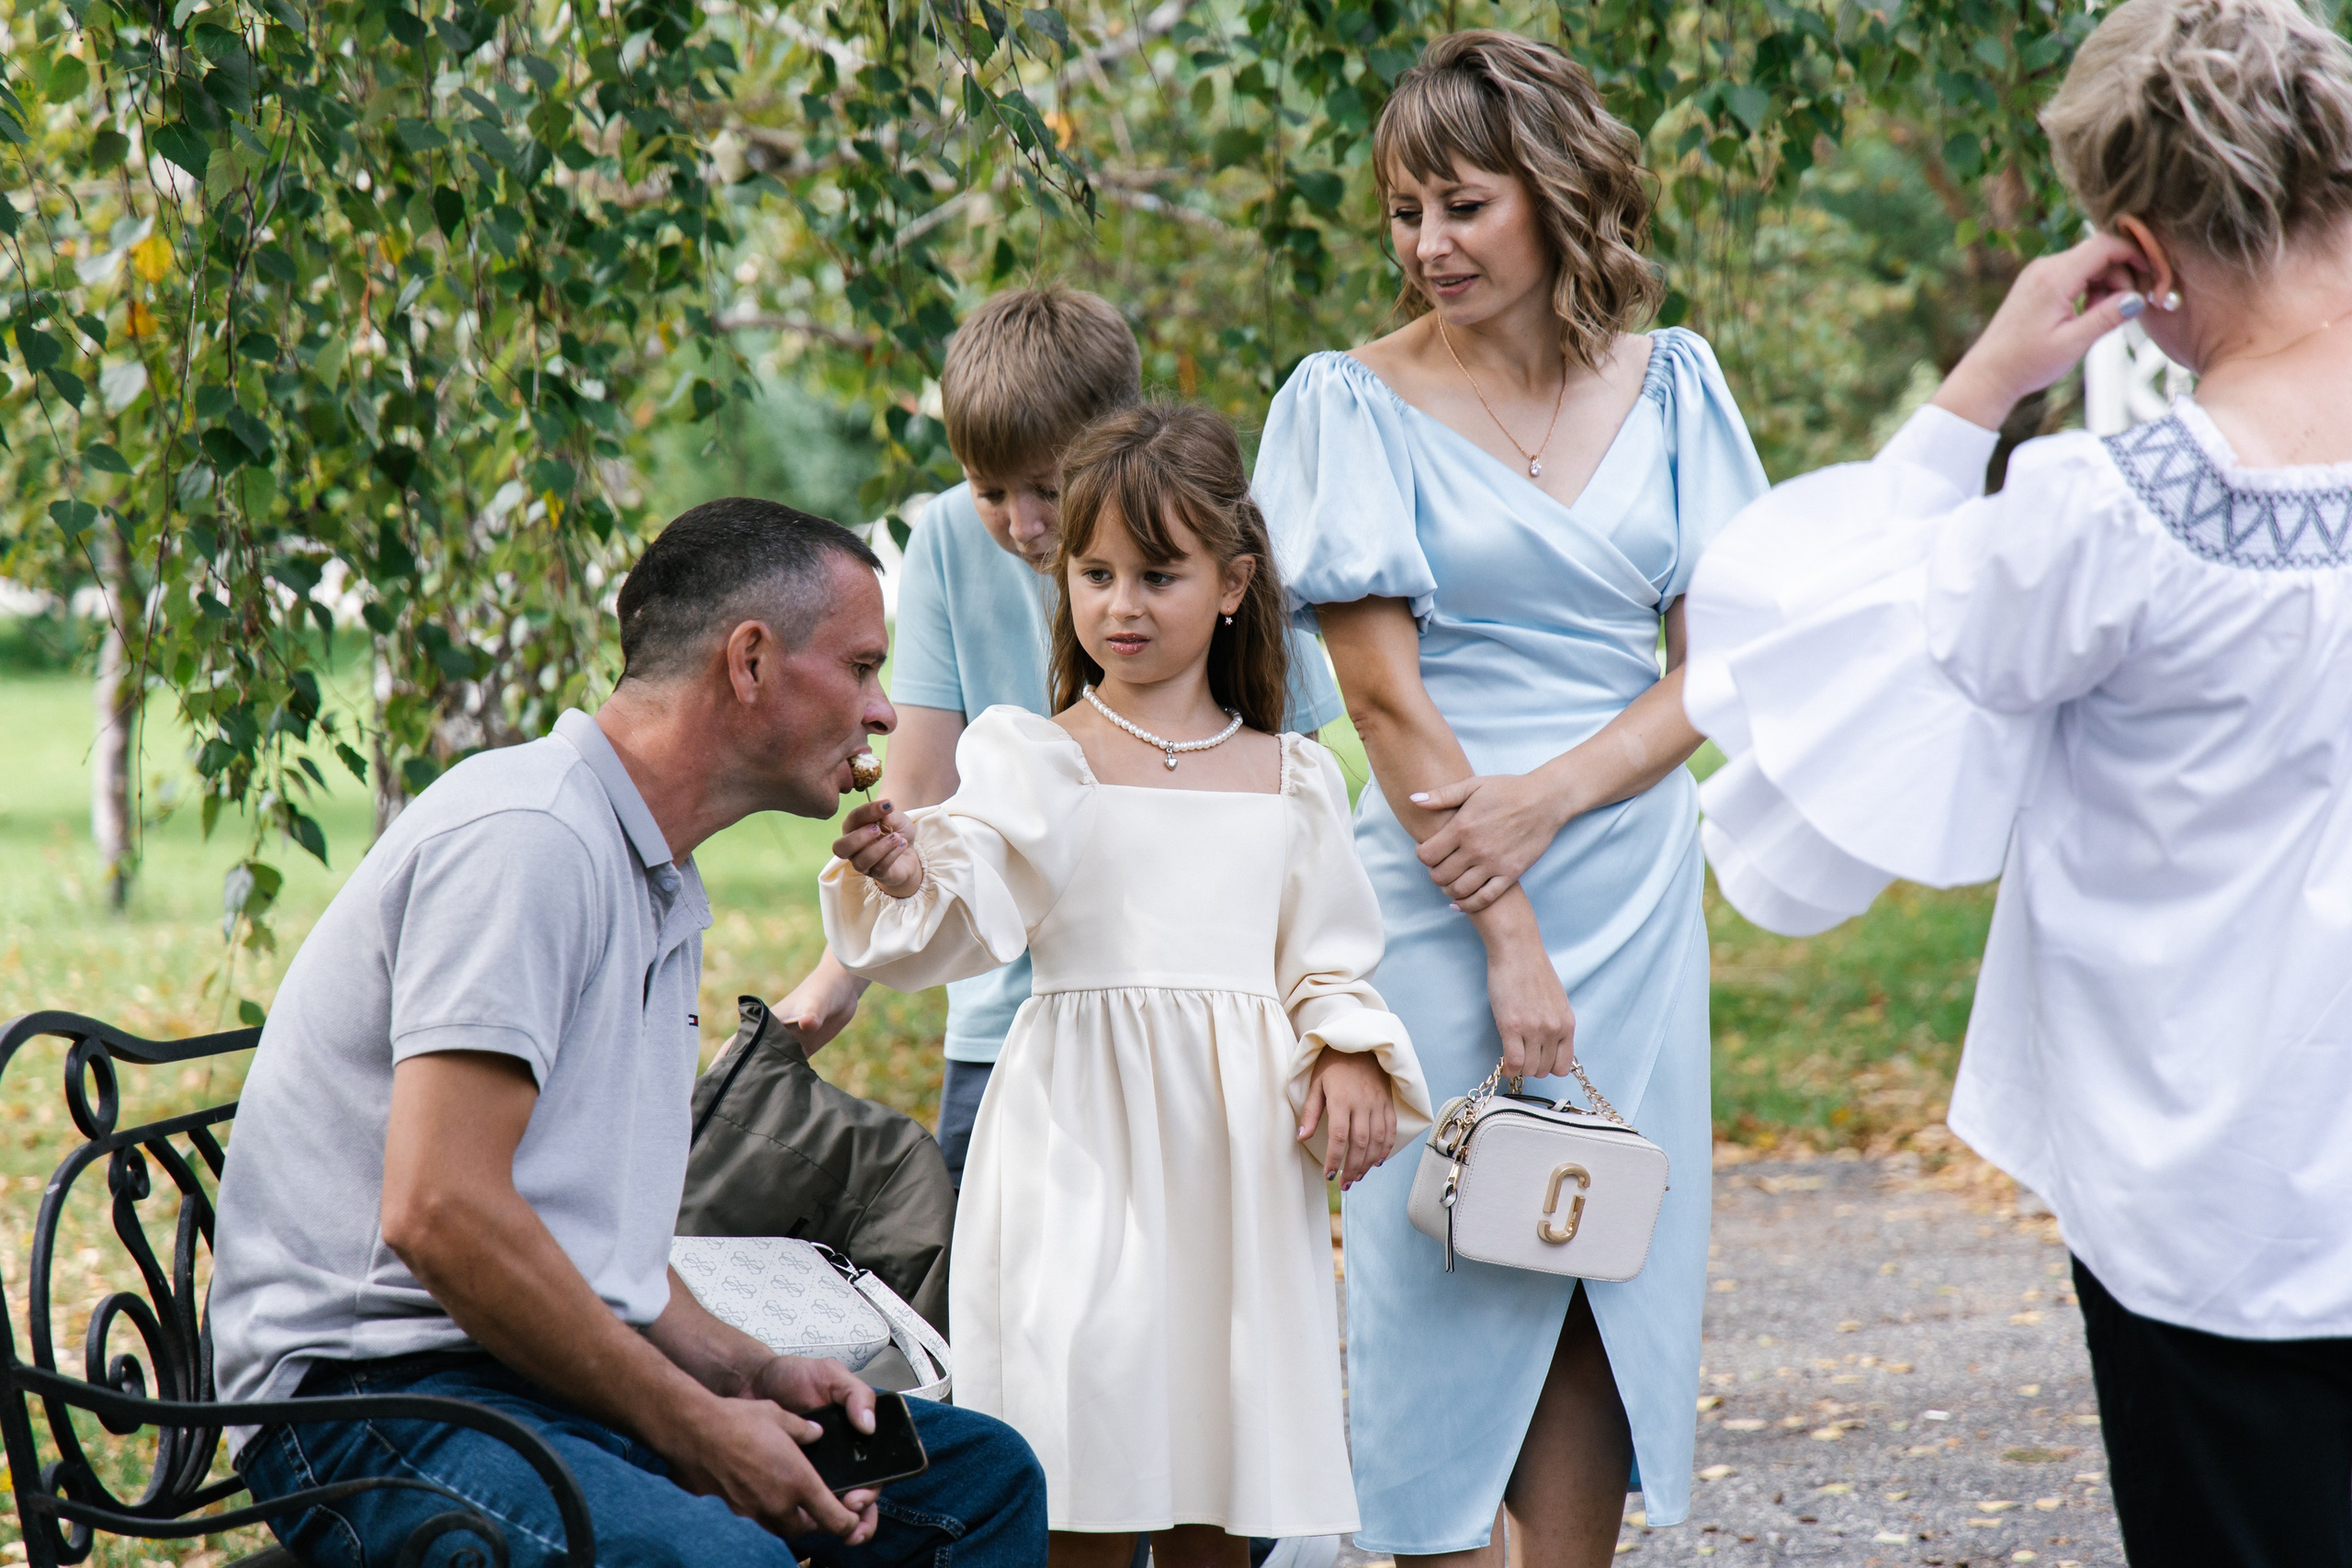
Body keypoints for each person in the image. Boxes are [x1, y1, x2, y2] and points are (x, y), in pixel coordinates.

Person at [1679, 1, 2352, 1561]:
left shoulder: (2106, 517)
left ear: (2137, 247)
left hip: (2213, 1194)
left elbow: (1813, 662)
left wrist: (1975, 389)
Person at [209, 500, 1047, 1567]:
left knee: (977, 1482)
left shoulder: (651, 868)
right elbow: (440, 1210)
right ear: (749, 662)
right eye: (862, 667)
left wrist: (747, 1372)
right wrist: (696, 1425)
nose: (885, 713)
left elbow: (599, 1254)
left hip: (531, 1369)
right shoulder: (533, 840)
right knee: (723, 1563)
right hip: (374, 1403)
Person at [1250, 31, 1769, 1564]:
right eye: (1405, 211)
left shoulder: (1675, 382)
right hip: (1438, 879)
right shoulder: (1348, 402)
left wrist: (1559, 797)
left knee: (1600, 1253)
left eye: (1462, 205)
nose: (1427, 245)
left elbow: (1724, 659)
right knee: (1444, 1269)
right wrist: (1508, 931)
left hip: (1628, 881)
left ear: (1553, 195)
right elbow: (1388, 694)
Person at [820, 403, 1433, 1568]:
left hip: (1237, 1164)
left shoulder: (1291, 777)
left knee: (1220, 1476)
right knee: (1081, 1464)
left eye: (1159, 574)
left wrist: (1350, 1046)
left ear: (1234, 583)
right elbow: (970, 901)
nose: (1121, 604)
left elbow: (1326, 955)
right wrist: (910, 870)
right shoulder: (1034, 754)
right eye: (1095, 573)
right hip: (1077, 1154)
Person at [775, 287, 1346, 1187]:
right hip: (1013, 1015)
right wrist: (837, 976)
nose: (1024, 523)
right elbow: (922, 789)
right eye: (989, 490)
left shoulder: (1211, 547)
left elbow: (1295, 819)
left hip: (1205, 1018)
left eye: (1049, 489)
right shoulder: (948, 544)